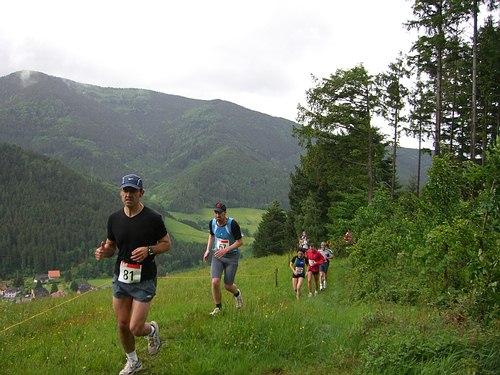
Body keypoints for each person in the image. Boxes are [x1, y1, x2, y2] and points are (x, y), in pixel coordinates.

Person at [95, 174, 171, 375]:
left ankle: (152, 330)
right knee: (122, 325)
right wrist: (104, 252)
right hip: (121, 278)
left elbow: (166, 244)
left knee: (136, 328)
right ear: (121, 193)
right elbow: (111, 247)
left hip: (144, 279)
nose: (128, 195)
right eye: (125, 190)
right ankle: (134, 362)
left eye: (132, 191)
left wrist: (149, 250)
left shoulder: (153, 218)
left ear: (141, 193)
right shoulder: (114, 219)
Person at [203, 203, 244, 316]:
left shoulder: (233, 224)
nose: (217, 215)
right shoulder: (212, 223)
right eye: (215, 213)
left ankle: (237, 294)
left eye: (219, 213)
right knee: (215, 282)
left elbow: (240, 242)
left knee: (227, 285)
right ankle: (218, 308)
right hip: (218, 256)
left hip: (231, 257)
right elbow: (211, 236)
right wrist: (207, 250)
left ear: (225, 213)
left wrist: (226, 250)